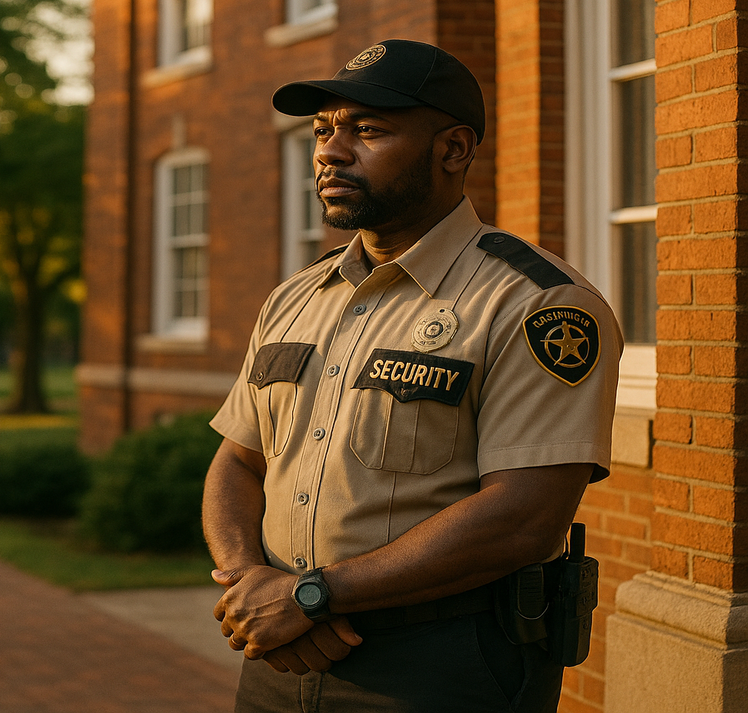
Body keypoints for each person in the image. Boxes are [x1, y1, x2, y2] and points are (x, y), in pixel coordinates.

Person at [202, 39, 622, 712]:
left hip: (444, 665)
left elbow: (524, 518)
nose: (331, 152)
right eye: (323, 130)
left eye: (367, 130)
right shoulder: (295, 298)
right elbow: (238, 460)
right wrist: (248, 583)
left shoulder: (535, 303)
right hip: (278, 655)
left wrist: (310, 596)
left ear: (453, 150)